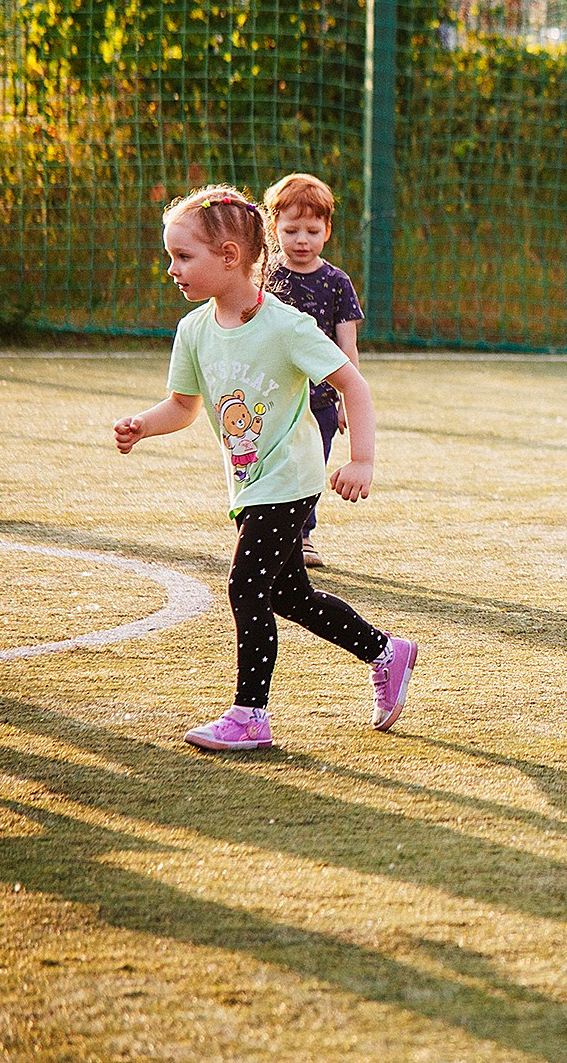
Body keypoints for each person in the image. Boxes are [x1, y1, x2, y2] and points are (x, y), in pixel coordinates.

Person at [113, 186, 417, 752]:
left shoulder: (287, 325)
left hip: (291, 479)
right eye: (169, 257)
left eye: (183, 257)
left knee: (245, 585)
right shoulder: (195, 330)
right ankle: (384, 651)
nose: (172, 270)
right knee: (289, 594)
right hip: (249, 484)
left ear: (229, 257)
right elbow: (183, 406)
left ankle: (250, 714)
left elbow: (352, 381)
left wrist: (362, 460)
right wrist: (142, 425)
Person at [259, 173, 364, 569]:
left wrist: (343, 402)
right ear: (274, 228)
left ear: (327, 231)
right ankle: (262, 531)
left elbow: (346, 346)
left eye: (312, 230)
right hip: (272, 394)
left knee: (308, 469)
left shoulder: (337, 283)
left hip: (319, 400)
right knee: (268, 465)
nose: (302, 240)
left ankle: (301, 537)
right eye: (291, 230)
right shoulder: (264, 277)